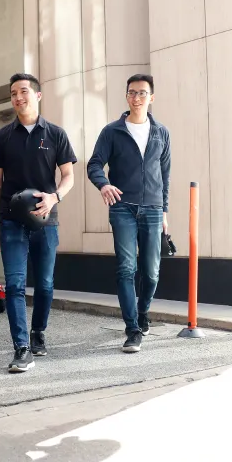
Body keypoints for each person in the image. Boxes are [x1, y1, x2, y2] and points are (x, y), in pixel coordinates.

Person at [0, 73, 76, 372]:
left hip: (46, 221)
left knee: (46, 284)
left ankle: (38, 332)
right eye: (13, 93)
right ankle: (21, 348)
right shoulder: (2, 138)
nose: (17, 97)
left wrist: (54, 198)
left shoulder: (55, 134)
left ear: (37, 96)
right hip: (11, 221)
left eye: (23, 91)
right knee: (14, 284)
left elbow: (68, 176)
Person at [86, 74, 171, 353]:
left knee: (152, 272)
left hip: (153, 208)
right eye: (132, 93)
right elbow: (95, 164)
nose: (136, 98)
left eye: (142, 93)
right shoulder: (112, 131)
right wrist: (104, 184)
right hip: (122, 207)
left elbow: (165, 174)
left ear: (151, 98)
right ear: (126, 97)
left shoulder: (161, 132)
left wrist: (165, 210)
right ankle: (132, 328)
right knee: (126, 268)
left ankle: (143, 311)